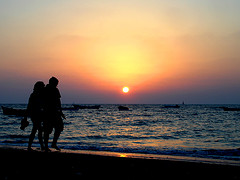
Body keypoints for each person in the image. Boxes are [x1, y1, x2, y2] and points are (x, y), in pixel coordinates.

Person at [44, 77, 65, 152]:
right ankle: (46, 146)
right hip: (48, 113)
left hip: (55, 112)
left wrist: (60, 111)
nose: (56, 85)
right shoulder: (45, 90)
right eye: (56, 83)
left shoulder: (56, 90)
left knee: (59, 128)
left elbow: (58, 101)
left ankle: (53, 143)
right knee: (47, 130)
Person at [23, 81, 45, 151]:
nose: (43, 87)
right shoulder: (34, 95)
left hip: (38, 115)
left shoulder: (38, 95)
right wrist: (25, 117)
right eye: (42, 86)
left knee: (36, 130)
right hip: (35, 115)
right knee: (37, 130)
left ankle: (32, 146)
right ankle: (40, 146)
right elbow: (29, 106)